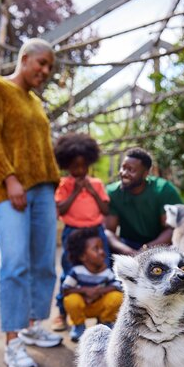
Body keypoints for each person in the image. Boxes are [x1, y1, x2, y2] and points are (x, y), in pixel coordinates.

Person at [0, 38, 63, 367]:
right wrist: (9, 178)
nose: (45, 71)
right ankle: (12, 343)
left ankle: (31, 325)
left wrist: (52, 185)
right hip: (7, 188)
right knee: (14, 263)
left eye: (50, 67)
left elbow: (42, 151)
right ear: (24, 58)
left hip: (41, 192)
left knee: (43, 263)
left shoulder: (35, 104)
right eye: (41, 63)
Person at [51, 132, 111, 331]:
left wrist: (91, 191)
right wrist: (76, 190)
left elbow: (105, 210)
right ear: (66, 165)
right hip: (73, 233)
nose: (79, 170)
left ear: (89, 163)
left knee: (102, 268)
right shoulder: (64, 185)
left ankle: (104, 314)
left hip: (96, 232)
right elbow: (61, 209)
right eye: (74, 166)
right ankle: (62, 312)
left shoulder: (96, 184)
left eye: (83, 166)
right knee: (69, 271)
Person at [104, 147, 183, 255]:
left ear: (146, 174)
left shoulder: (163, 189)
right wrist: (129, 252)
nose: (124, 173)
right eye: (123, 168)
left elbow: (172, 229)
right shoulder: (113, 192)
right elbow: (108, 231)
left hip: (161, 246)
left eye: (131, 170)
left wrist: (145, 250)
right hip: (128, 246)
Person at [61, 227, 123, 342]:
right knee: (71, 299)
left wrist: (98, 291)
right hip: (83, 307)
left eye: (102, 247)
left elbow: (118, 286)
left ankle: (105, 323)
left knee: (117, 297)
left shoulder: (106, 271)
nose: (102, 252)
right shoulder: (77, 271)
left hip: (99, 306)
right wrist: (84, 290)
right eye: (96, 249)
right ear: (83, 257)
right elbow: (65, 289)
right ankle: (79, 326)